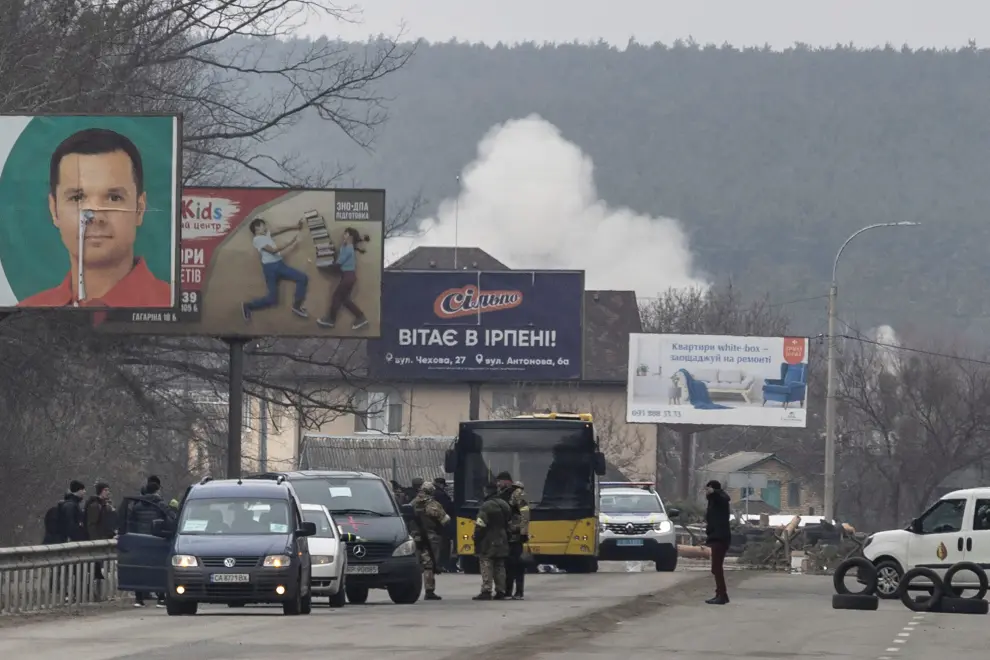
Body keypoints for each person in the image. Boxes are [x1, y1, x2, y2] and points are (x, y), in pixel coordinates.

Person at [18, 128, 171, 308]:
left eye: (114, 197)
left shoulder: (173, 306)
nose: (95, 217)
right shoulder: (24, 315)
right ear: (54, 210)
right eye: (77, 198)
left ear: (139, 209)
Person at [242, 217, 309, 321]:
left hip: (279, 264)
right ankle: (248, 306)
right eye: (263, 226)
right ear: (257, 228)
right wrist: (292, 241)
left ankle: (296, 306)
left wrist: (294, 226)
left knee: (302, 278)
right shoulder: (257, 240)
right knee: (272, 299)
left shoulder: (265, 234)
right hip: (270, 269)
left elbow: (278, 230)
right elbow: (273, 250)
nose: (266, 227)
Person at [317, 227, 369, 330]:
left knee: (336, 297)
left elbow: (338, 264)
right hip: (348, 277)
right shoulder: (346, 247)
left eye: (345, 234)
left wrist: (324, 265)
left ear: (350, 237)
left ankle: (331, 320)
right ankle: (361, 317)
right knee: (345, 300)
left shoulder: (349, 249)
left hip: (348, 277)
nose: (343, 236)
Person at [409, 481, 450, 600]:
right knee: (429, 565)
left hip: (414, 537)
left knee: (414, 564)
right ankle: (429, 591)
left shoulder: (412, 504)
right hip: (430, 538)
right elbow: (445, 521)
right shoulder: (434, 504)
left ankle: (411, 589)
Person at [132, 477, 168, 607]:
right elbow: (168, 521)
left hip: (140, 540)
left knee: (140, 570)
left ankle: (139, 599)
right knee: (159, 570)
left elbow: (131, 523)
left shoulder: (136, 505)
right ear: (157, 491)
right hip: (157, 540)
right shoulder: (161, 505)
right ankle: (161, 598)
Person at [473, 481, 512, 600]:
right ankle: (501, 590)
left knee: (486, 563)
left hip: (489, 539)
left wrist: (476, 538)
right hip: (503, 538)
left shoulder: (486, 506)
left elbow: (480, 525)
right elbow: (510, 523)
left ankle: (486, 590)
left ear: (486, 491)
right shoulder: (505, 504)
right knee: (500, 565)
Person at [496, 472, 531, 600]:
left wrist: (523, 532)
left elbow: (525, 515)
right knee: (507, 564)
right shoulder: (502, 493)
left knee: (516, 564)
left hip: (515, 534)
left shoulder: (517, 493)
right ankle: (507, 591)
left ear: (506, 481)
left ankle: (518, 591)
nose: (498, 484)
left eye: (500, 481)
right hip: (506, 534)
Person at [704, 480, 732, 605]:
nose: (706, 492)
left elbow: (725, 498)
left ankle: (721, 595)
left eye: (708, 489)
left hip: (720, 538)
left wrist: (715, 492)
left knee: (716, 567)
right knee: (716, 568)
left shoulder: (720, 500)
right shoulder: (712, 502)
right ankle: (722, 594)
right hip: (716, 537)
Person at [433, 477, 458, 573]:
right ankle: (443, 564)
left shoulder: (430, 494)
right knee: (444, 545)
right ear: (440, 484)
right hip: (441, 524)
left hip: (433, 524)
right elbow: (447, 508)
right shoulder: (441, 495)